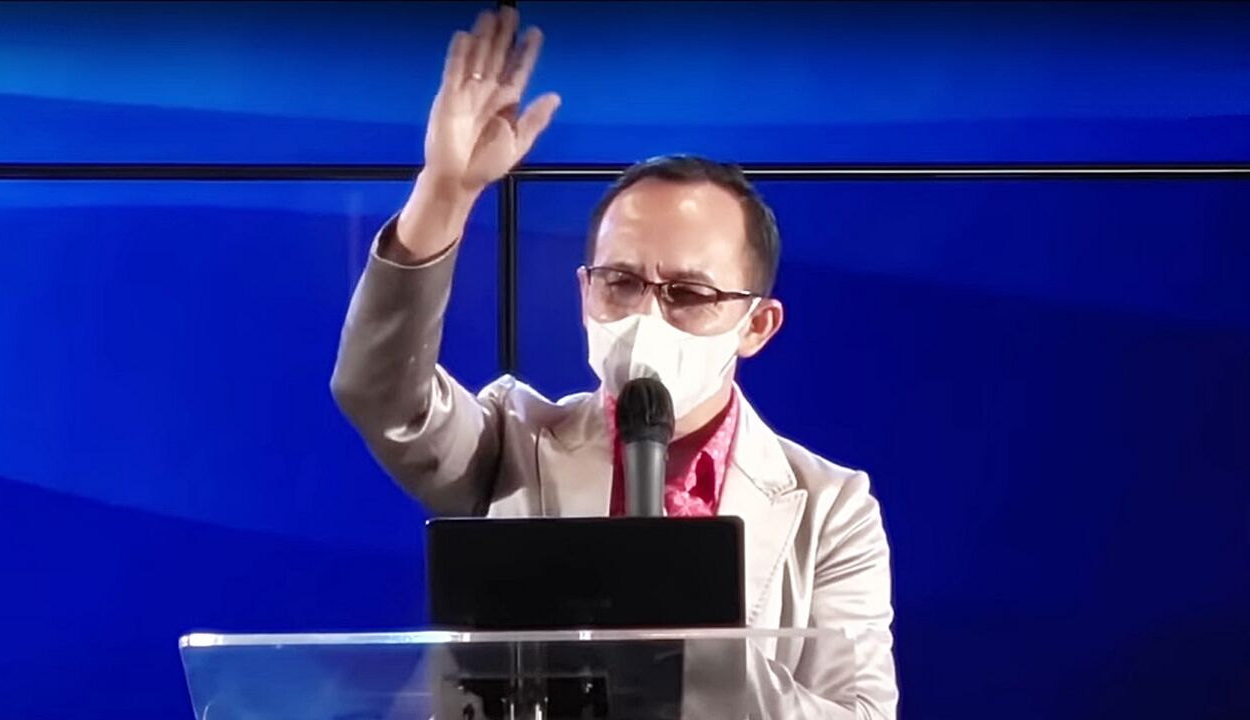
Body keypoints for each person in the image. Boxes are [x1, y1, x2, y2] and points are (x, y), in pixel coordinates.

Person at [330, 7, 896, 718]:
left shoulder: (831, 508)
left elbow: (860, 714)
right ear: (583, 291)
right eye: (620, 283)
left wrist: (693, 635)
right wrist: (445, 194)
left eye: (688, 293)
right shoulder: (515, 441)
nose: (644, 317)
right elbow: (380, 391)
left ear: (757, 325)